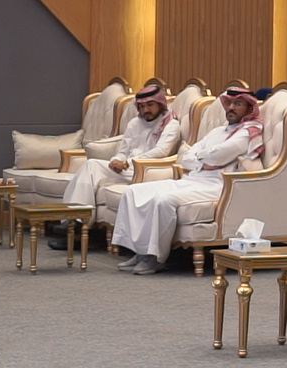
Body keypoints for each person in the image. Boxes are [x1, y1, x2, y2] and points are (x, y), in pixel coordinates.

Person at [111, 87, 263, 275]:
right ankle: (140, 251)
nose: (231, 108)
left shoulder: (250, 131)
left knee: (164, 200)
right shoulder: (218, 131)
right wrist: (203, 161)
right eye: (229, 103)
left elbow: (219, 156)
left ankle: (155, 257)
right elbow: (187, 158)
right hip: (192, 179)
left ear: (249, 107)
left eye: (238, 104)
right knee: (132, 191)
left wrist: (201, 158)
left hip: (217, 185)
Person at [50, 85, 181, 250]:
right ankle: (75, 222)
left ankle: (76, 231)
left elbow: (162, 151)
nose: (146, 110)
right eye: (141, 106)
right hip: (128, 169)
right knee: (91, 166)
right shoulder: (135, 123)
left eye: (150, 105)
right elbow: (123, 150)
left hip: (150, 171)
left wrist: (128, 162)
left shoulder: (171, 124)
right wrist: (116, 160)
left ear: (160, 104)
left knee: (94, 168)